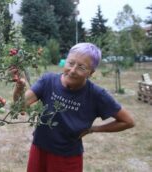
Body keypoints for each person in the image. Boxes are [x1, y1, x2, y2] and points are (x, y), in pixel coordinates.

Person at [12, 42, 135, 172]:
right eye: (70, 63)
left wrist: (93, 129)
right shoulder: (48, 81)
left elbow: (128, 121)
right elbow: (20, 107)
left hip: (67, 158)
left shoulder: (97, 94)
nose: (72, 70)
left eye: (81, 67)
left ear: (91, 72)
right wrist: (19, 87)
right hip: (39, 149)